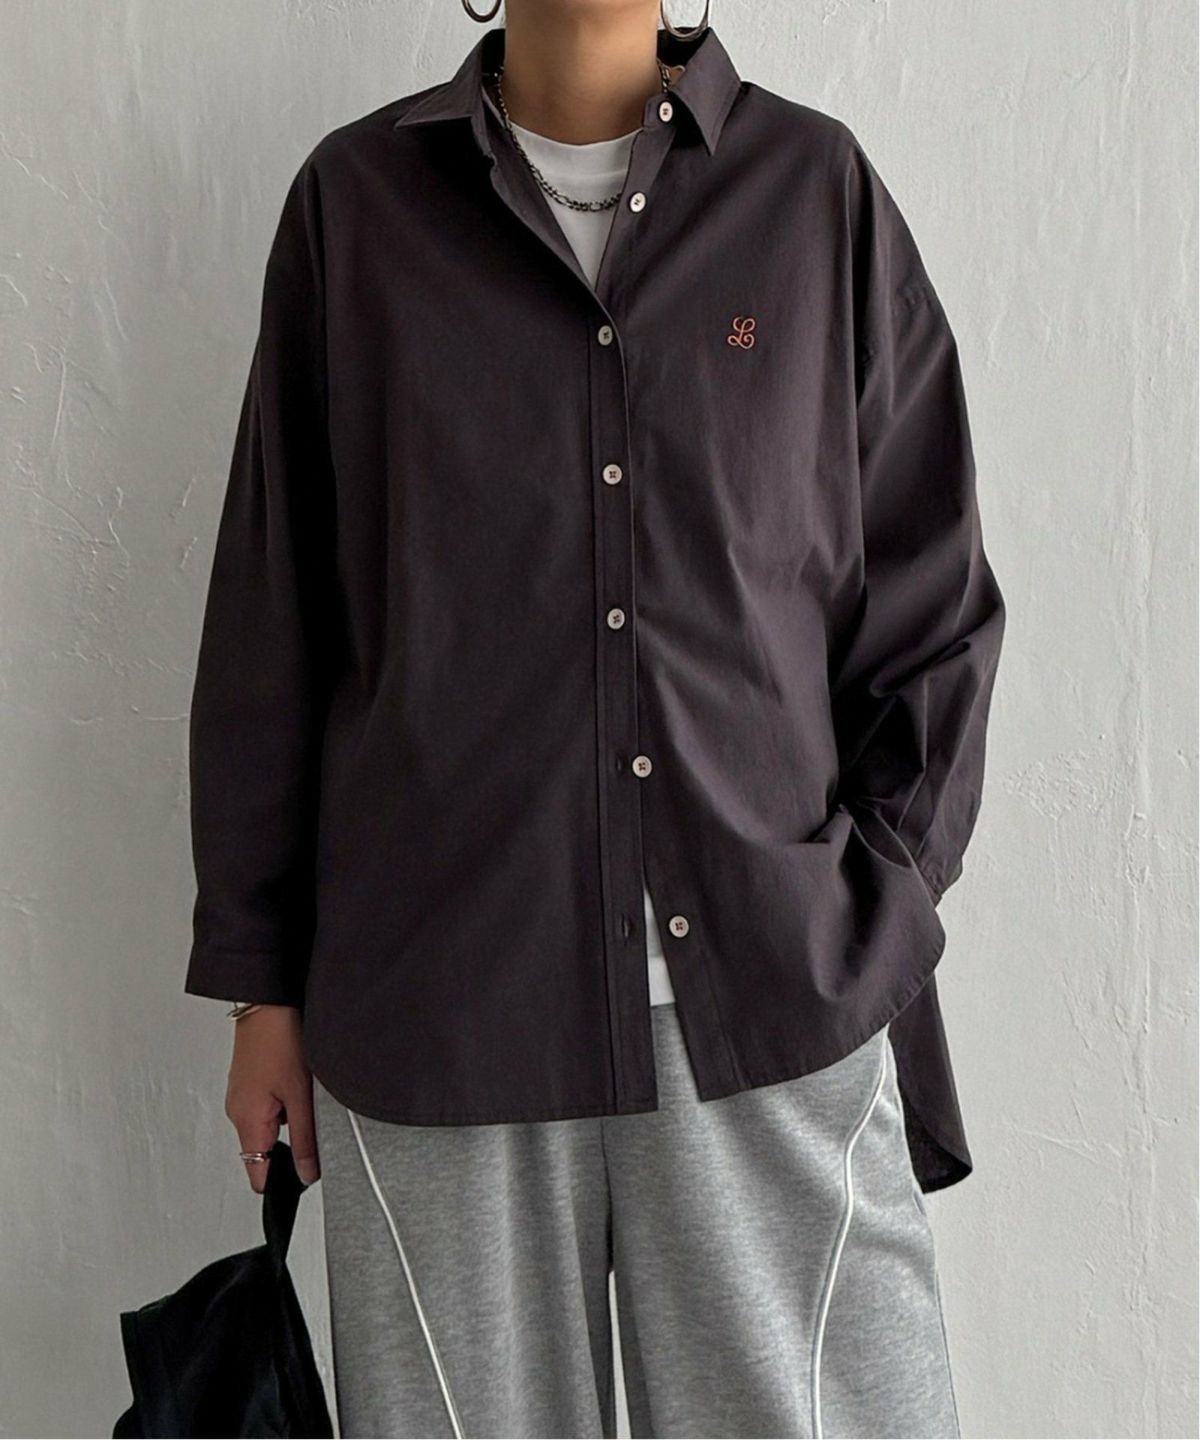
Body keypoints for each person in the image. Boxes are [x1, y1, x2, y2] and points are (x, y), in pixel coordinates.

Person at [183, 1, 1006, 1435]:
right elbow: (276, 617)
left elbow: (932, 603)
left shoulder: (813, 195)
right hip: (442, 1014)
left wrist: (873, 902)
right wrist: (264, 988)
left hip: (772, 1003)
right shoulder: (356, 210)